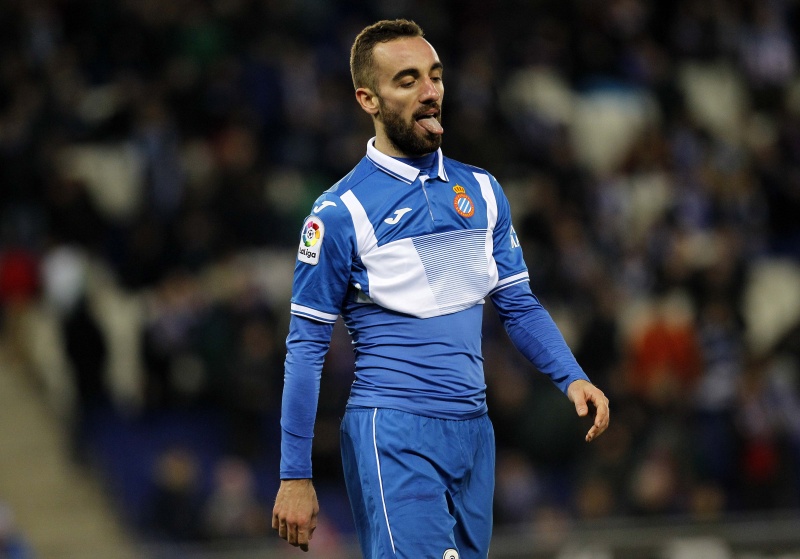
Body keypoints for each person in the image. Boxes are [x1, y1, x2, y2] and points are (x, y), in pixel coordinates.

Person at [272, 19, 610, 558]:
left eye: (435, 76)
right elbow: (306, 346)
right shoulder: (340, 213)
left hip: (474, 433)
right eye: (407, 81)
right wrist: (295, 474)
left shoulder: (483, 191)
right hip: (394, 432)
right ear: (368, 99)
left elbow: (517, 304)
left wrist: (571, 376)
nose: (430, 92)